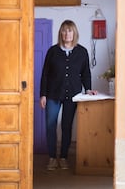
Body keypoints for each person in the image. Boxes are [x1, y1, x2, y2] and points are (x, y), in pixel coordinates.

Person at [40, 20, 97, 171]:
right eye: (64, 31)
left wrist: (88, 89)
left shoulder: (82, 52)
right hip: (53, 94)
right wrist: (43, 95)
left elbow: (86, 74)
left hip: (73, 95)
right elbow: (45, 74)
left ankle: (64, 157)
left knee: (66, 126)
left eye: (70, 31)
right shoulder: (52, 51)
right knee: (50, 126)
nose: (67, 34)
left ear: (74, 33)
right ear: (60, 33)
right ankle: (52, 158)